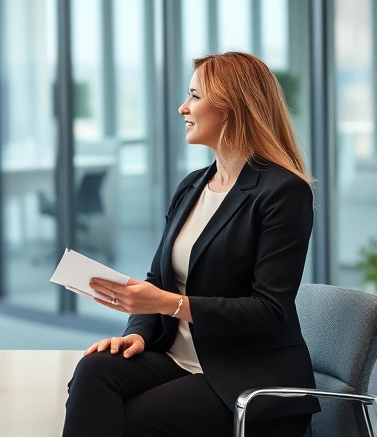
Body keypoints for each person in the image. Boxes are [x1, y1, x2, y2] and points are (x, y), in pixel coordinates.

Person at [63, 51, 320, 437]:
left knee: (129, 420)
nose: (183, 107)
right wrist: (140, 331)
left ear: (232, 108)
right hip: (178, 357)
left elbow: (268, 310)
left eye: (195, 96)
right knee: (93, 372)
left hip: (246, 375)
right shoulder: (192, 186)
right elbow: (158, 278)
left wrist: (166, 303)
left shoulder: (283, 192)